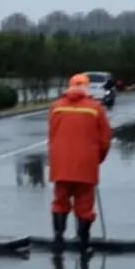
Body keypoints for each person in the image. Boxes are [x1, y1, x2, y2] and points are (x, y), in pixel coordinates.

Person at [49, 74, 112, 256]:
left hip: (61, 165)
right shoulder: (95, 108)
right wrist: (97, 159)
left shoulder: (56, 107)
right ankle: (84, 244)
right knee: (84, 206)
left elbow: (52, 136)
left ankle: (58, 239)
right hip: (86, 165)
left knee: (60, 202)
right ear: (87, 87)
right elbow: (105, 140)